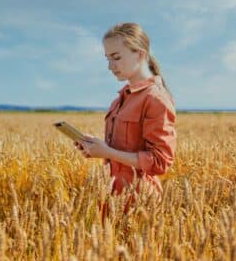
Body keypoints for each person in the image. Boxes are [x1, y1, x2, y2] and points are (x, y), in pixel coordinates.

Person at [74, 22, 177, 219]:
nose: (110, 66)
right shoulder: (120, 99)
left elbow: (160, 162)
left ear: (139, 54)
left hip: (140, 205)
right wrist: (96, 148)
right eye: (107, 59)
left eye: (116, 57)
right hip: (111, 199)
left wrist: (108, 152)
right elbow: (121, 150)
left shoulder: (155, 98)